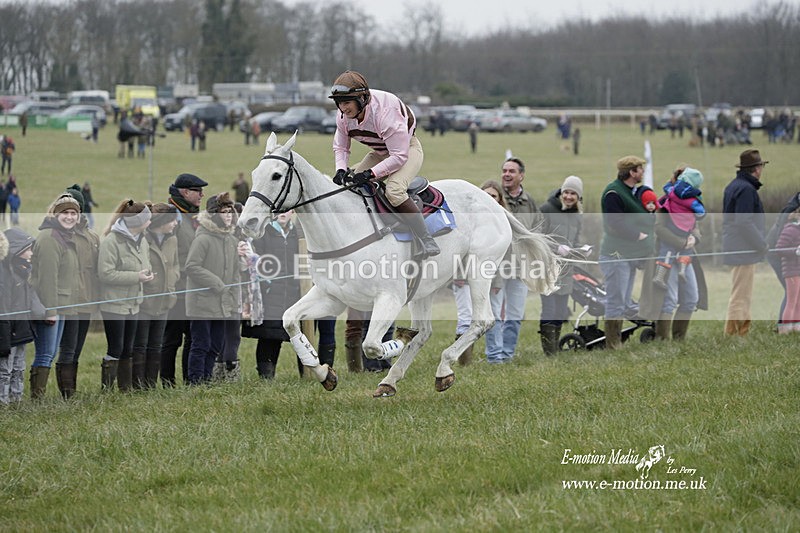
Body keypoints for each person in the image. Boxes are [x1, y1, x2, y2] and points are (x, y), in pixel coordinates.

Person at [329, 70, 439, 259]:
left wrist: (370, 174)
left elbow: (398, 156)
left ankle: (426, 238)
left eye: (346, 102)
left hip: (407, 151)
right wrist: (340, 169)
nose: (342, 108)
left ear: (362, 99)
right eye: (339, 103)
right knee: (350, 187)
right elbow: (341, 147)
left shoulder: (386, 114)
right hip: (381, 153)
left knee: (394, 191)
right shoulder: (343, 118)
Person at [485, 157, 543, 363]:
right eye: (504, 170)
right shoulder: (493, 199)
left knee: (515, 315)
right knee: (493, 314)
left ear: (521, 176)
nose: (506, 174)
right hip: (497, 267)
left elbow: (537, 230)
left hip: (520, 268)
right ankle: (494, 357)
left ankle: (507, 355)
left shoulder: (529, 202)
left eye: (511, 171)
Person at [640, 167, 708, 341]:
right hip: (667, 257)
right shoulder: (665, 203)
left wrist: (694, 238)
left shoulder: (690, 204)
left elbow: (695, 227)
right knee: (669, 299)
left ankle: (679, 338)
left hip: (687, 257)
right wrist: (681, 242)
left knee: (692, 298)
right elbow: (659, 228)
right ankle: (663, 339)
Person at [184, 192, 245, 385]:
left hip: (223, 303)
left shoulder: (231, 240)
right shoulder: (203, 239)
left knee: (216, 344)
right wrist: (216, 283)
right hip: (202, 302)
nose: (228, 215)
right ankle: (195, 382)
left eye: (230, 212)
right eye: (223, 212)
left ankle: (207, 380)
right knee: (201, 344)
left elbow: (235, 273)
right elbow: (192, 267)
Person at [599, 156, 655, 349]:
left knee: (622, 301)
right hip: (615, 256)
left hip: (628, 256)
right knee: (616, 302)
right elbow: (614, 224)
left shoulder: (631, 192)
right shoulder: (614, 193)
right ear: (632, 172)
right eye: (640, 169)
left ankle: (615, 341)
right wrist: (637, 235)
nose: (643, 173)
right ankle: (613, 345)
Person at [242, 211, 306, 379]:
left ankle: (306, 374)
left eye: (286, 210)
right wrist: (267, 282)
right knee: (270, 336)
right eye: (279, 211)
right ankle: (266, 376)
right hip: (271, 293)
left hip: (294, 292)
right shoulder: (264, 232)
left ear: (292, 212)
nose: (282, 214)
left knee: (300, 336)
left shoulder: (297, 234)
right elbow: (257, 261)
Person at [30, 194, 82, 398]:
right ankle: (37, 398)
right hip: (51, 306)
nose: (70, 217)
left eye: (74, 214)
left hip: (62, 304)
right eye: (65, 213)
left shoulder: (64, 236)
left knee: (50, 353)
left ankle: (39, 396)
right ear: (55, 214)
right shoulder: (50, 238)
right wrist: (50, 311)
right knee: (45, 353)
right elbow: (47, 279)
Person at [98, 200, 153, 391]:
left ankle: (125, 388)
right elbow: (105, 274)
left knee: (128, 348)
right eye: (147, 219)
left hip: (133, 303)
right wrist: (136, 277)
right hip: (114, 304)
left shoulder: (143, 240)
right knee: (116, 348)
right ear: (138, 222)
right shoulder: (111, 241)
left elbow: (144, 263)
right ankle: (107, 389)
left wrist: (147, 273)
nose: (150, 221)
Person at [451, 180, 508, 365]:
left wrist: (497, 282)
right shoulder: (465, 220)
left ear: (499, 200)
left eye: (492, 196)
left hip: (489, 278)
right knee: (466, 317)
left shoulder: (500, 225)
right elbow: (455, 248)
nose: (488, 199)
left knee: (492, 317)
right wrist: (457, 273)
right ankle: (463, 361)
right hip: (464, 276)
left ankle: (495, 356)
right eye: (485, 195)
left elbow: (499, 259)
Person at [55, 185, 101, 399]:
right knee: (68, 348)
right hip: (68, 301)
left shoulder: (92, 237)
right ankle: (67, 394)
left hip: (87, 300)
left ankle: (71, 388)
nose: (71, 216)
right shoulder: (57, 236)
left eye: (75, 211)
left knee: (78, 348)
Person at [162, 173, 208, 386]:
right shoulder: (172, 216)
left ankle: (190, 380)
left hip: (194, 288)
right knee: (171, 339)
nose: (202, 195)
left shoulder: (192, 215)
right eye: (198, 191)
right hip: (177, 288)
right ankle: (167, 382)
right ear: (185, 192)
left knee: (192, 337)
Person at [133, 203, 180, 388]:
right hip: (146, 300)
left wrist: (173, 277)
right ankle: (138, 385)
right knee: (141, 344)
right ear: (163, 222)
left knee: (156, 344)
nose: (175, 223)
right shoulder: (141, 238)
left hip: (165, 299)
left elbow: (175, 264)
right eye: (173, 220)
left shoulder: (172, 239)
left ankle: (150, 384)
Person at [722, 149, 768, 336]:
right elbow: (744, 222)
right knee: (740, 295)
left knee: (742, 293)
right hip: (743, 248)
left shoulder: (735, 186)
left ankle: (742, 332)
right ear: (756, 168)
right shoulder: (747, 190)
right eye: (761, 166)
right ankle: (733, 335)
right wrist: (761, 244)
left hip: (738, 247)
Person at [538, 175, 585, 355]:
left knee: (560, 310)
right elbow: (538, 238)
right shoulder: (546, 209)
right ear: (561, 192)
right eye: (566, 192)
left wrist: (581, 250)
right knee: (549, 309)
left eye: (573, 193)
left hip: (566, 270)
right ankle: (549, 352)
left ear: (578, 197)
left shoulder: (577, 216)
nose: (568, 196)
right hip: (548, 268)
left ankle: (555, 347)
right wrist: (556, 247)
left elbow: (576, 240)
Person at [0, 228, 43, 403]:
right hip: (8, 332)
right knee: (5, 370)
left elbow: (31, 297)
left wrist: (41, 312)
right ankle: (3, 403)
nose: (31, 253)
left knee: (19, 368)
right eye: (28, 249)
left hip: (22, 330)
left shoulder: (23, 271)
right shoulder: (6, 274)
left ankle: (16, 400)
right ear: (16, 249)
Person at [766, 192, 800, 329]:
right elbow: (781, 244)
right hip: (779, 254)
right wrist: (794, 251)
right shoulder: (790, 217)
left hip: (792, 255)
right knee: (791, 292)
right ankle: (784, 327)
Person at [774, 206, 800, 333]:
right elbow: (779, 249)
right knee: (791, 301)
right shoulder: (791, 229)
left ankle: (795, 329)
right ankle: (785, 331)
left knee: (798, 302)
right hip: (791, 270)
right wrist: (795, 251)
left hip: (798, 269)